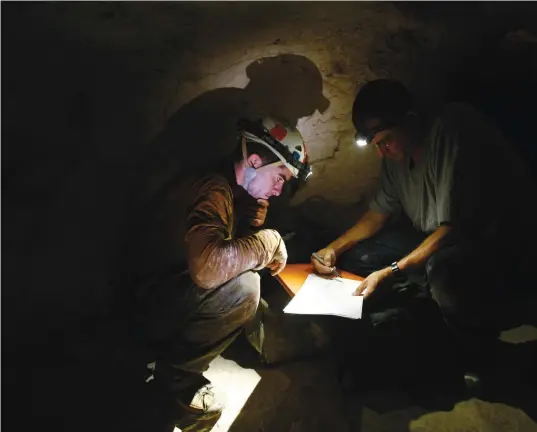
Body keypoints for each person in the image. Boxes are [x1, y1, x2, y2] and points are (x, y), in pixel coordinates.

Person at [312, 79, 536, 389]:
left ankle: (479, 354)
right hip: (435, 237)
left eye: (385, 141)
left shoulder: (454, 131)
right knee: (359, 255)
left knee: (443, 271)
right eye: (375, 144)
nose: (381, 152)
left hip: (493, 246)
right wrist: (333, 249)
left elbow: (453, 229)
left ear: (411, 121)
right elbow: (379, 214)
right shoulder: (396, 155)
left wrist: (391, 271)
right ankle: (410, 326)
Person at [129, 116, 312, 431]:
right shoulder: (213, 189)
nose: (280, 190)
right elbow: (209, 268)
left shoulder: (225, 186)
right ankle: (174, 380)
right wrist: (266, 242)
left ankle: (277, 343)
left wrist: (248, 220)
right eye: (280, 177)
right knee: (245, 287)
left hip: (160, 291)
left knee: (246, 276)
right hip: (142, 307)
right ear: (254, 160)